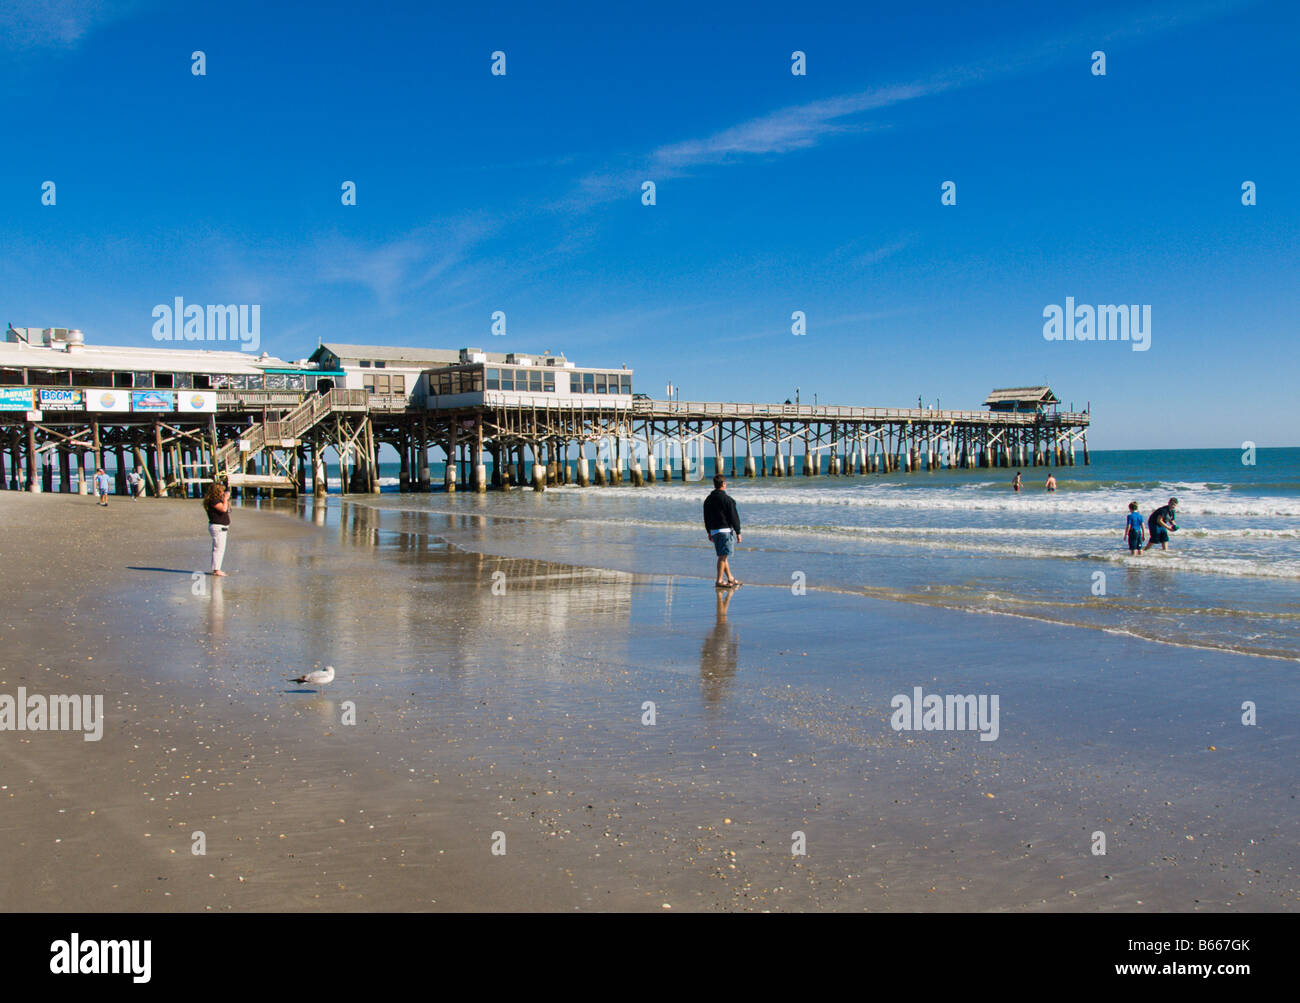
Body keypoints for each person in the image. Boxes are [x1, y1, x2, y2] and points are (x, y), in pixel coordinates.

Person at [703, 474, 742, 588]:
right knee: (723, 556)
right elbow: (734, 517)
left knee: (723, 555)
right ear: (724, 484)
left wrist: (709, 532)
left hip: (714, 531)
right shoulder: (728, 500)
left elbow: (706, 517)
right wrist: (738, 532)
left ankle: (730, 578)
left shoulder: (708, 500)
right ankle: (719, 580)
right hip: (725, 531)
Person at [204, 479, 232, 576]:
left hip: (221, 527)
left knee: (220, 548)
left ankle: (216, 568)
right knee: (218, 548)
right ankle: (216, 570)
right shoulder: (213, 501)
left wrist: (226, 499)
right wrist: (225, 499)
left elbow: (227, 509)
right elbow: (223, 509)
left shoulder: (216, 500)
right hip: (218, 527)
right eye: (221, 491)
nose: (222, 492)